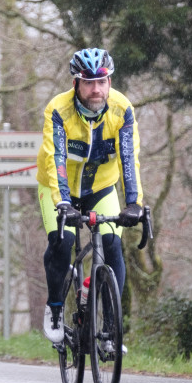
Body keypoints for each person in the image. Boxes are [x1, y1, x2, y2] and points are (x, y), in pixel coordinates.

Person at [36, 47, 143, 351]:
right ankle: (55, 307)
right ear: (76, 84)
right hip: (59, 189)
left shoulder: (122, 109)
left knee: (112, 244)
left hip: (101, 189)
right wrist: (62, 202)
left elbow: (128, 156)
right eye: (88, 82)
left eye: (102, 81)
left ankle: (110, 330)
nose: (96, 89)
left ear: (110, 81)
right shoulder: (59, 110)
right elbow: (54, 158)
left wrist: (134, 201)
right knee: (63, 240)